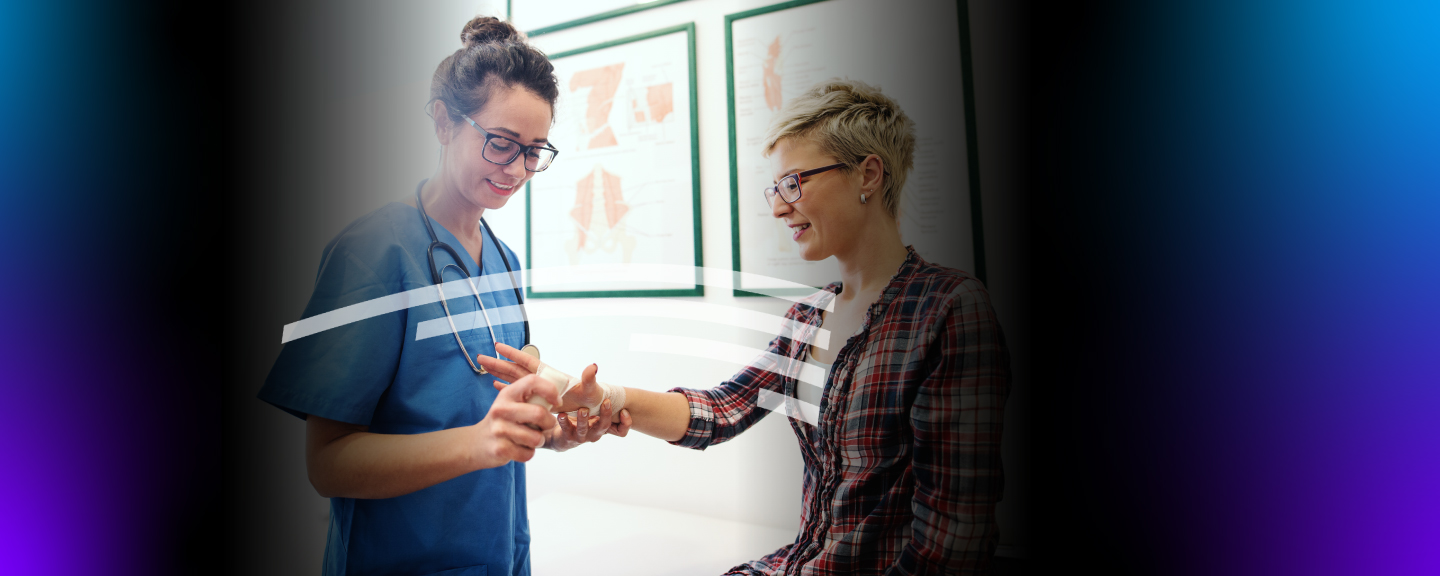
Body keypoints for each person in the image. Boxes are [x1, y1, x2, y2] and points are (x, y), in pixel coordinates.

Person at [480, 80, 1011, 574]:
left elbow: (952, 540)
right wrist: (595, 394)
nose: (779, 206)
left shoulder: (947, 310)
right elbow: (722, 410)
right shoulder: (808, 318)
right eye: (775, 187)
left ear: (869, 174)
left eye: (794, 182)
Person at [259, 17, 621, 576]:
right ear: (444, 121)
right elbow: (328, 464)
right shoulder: (373, 252)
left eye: (534, 151)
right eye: (501, 144)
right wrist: (481, 442)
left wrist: (551, 431)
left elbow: (487, 416)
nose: (517, 169)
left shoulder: (504, 261)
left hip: (500, 555)